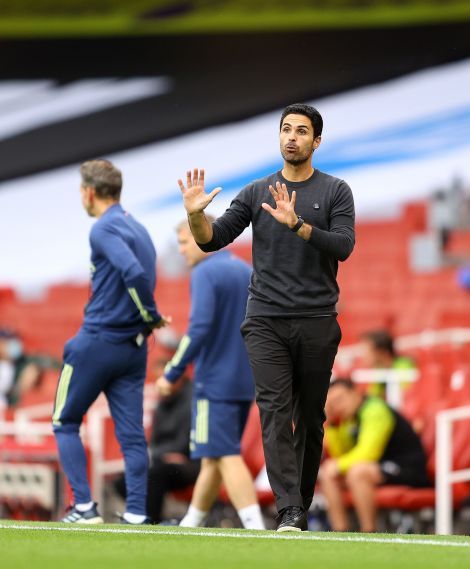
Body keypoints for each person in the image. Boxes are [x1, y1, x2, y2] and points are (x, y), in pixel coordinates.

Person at [178, 103, 355, 531]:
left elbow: (344, 247)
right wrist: (195, 215)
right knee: (274, 410)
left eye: (301, 131)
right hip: (265, 319)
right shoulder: (257, 191)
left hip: (316, 318)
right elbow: (211, 241)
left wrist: (299, 226)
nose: (291, 137)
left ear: (316, 141)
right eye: (285, 130)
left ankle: (301, 502)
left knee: (310, 416)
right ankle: (289, 510)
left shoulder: (335, 191)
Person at [54, 159, 168, 524]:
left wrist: (149, 313)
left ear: (89, 192)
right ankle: (136, 512)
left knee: (65, 421)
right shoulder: (140, 228)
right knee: (132, 436)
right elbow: (140, 273)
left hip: (98, 341)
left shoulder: (103, 229)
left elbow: (132, 272)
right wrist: (147, 320)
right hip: (132, 350)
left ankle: (84, 507)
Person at [155, 217, 264, 530]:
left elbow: (198, 328)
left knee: (225, 454)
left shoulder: (204, 273)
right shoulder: (246, 271)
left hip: (213, 381)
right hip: (244, 381)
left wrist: (172, 372)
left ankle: (255, 527)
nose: (182, 250)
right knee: (213, 457)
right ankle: (192, 521)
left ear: (205, 234)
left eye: (185, 241)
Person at [318, 378, 429, 532]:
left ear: (356, 393)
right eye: (332, 404)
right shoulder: (347, 418)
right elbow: (340, 454)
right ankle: (339, 531)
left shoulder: (375, 409)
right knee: (328, 474)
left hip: (407, 468)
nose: (338, 406)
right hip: (378, 468)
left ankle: (368, 531)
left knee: (357, 472)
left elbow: (369, 453)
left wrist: (338, 465)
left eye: (340, 399)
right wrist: (333, 424)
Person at [113, 350, 199, 524]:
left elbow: (185, 441)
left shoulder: (193, 399)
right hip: (163, 460)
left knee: (155, 475)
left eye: (164, 379)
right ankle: (140, 516)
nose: (160, 385)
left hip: (191, 462)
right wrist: (157, 455)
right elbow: (154, 441)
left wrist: (163, 454)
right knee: (122, 480)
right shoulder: (163, 402)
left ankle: (151, 522)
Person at [358, 330, 416, 398]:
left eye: (366, 350)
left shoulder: (404, 365)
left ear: (381, 351)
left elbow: (405, 394)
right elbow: (371, 395)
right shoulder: (379, 369)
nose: (363, 355)